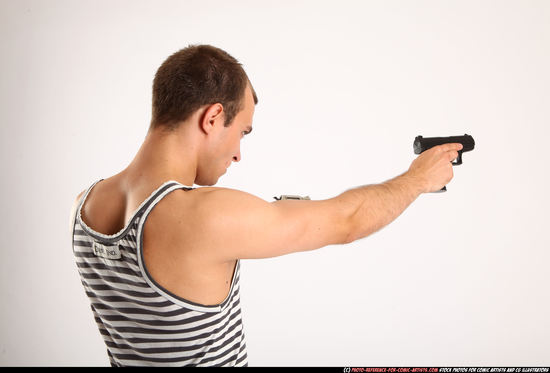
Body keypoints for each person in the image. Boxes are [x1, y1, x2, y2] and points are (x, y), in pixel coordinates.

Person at [69, 44, 463, 367]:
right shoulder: (200, 217)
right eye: (242, 132)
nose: (238, 154)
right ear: (212, 117)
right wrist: (418, 179)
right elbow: (347, 221)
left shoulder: (83, 206)